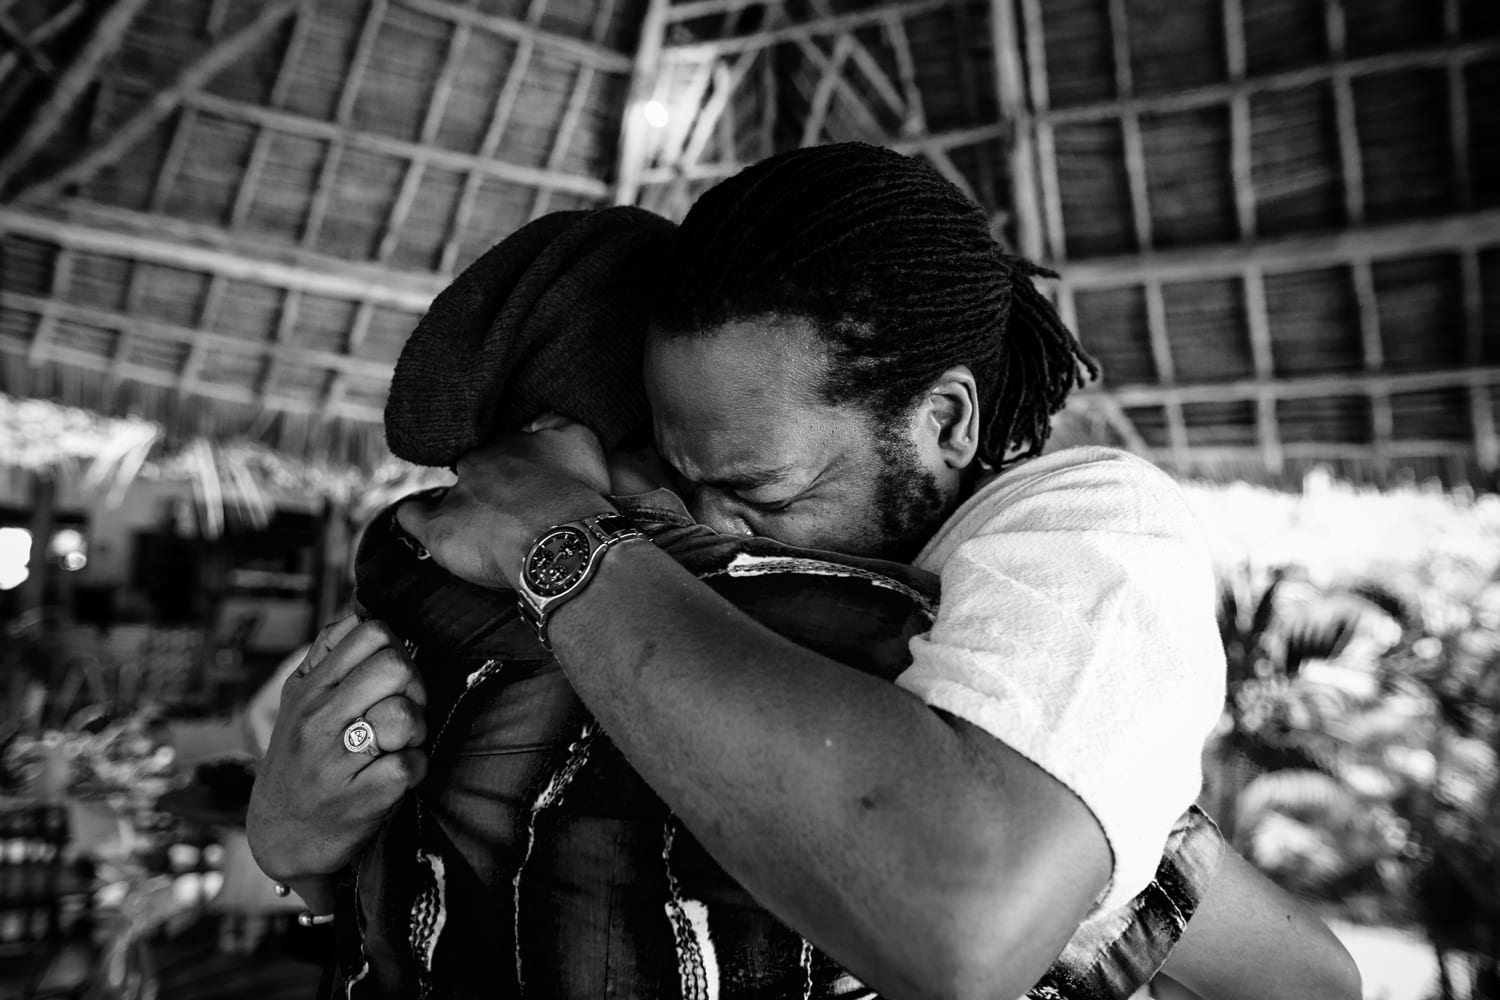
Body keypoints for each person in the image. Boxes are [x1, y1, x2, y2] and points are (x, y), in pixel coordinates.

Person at [250, 199, 1357, 998]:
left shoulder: (1071, 538)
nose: (716, 532)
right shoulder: (734, 625)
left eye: (758, 488)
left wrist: (562, 539)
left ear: (949, 421)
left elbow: (974, 924)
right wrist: (297, 840)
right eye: (679, 491)